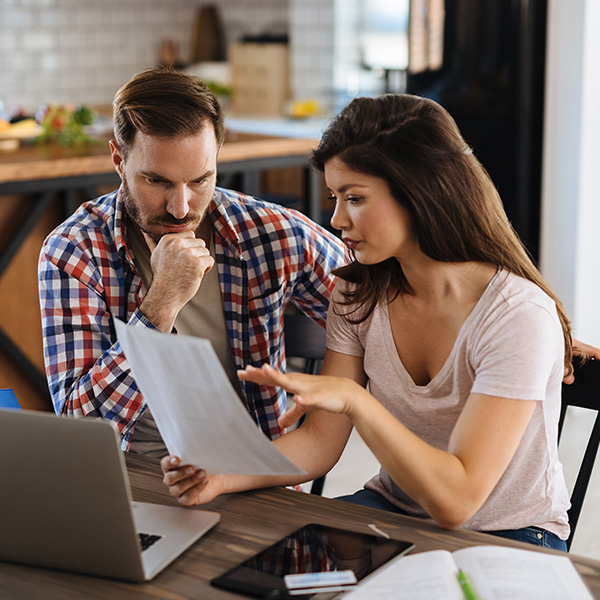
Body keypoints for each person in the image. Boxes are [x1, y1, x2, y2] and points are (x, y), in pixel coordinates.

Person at [162, 93, 586, 551]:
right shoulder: (357, 292)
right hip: (393, 513)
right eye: (335, 197)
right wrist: (221, 472)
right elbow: (321, 442)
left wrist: (355, 401)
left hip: (512, 536)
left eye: (355, 198)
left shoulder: (516, 315)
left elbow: (457, 502)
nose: (337, 217)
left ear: (419, 191)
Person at [38, 67, 347, 455]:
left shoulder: (272, 233)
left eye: (200, 181)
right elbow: (80, 430)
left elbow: (381, 311)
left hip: (254, 477)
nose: (180, 208)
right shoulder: (73, 251)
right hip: (131, 479)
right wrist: (160, 304)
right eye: (158, 181)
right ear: (119, 159)